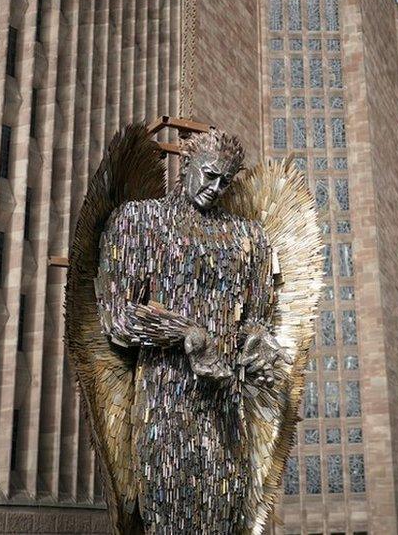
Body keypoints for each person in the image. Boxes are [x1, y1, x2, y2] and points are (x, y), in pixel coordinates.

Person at [94, 129, 287, 534]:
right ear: (187, 166)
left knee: (223, 514)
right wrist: (185, 333)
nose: (214, 188)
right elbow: (117, 317)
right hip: (165, 401)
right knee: (168, 510)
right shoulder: (141, 223)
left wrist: (257, 346)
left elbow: (258, 317)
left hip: (225, 408)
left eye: (224, 181)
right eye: (209, 174)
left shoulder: (248, 239)